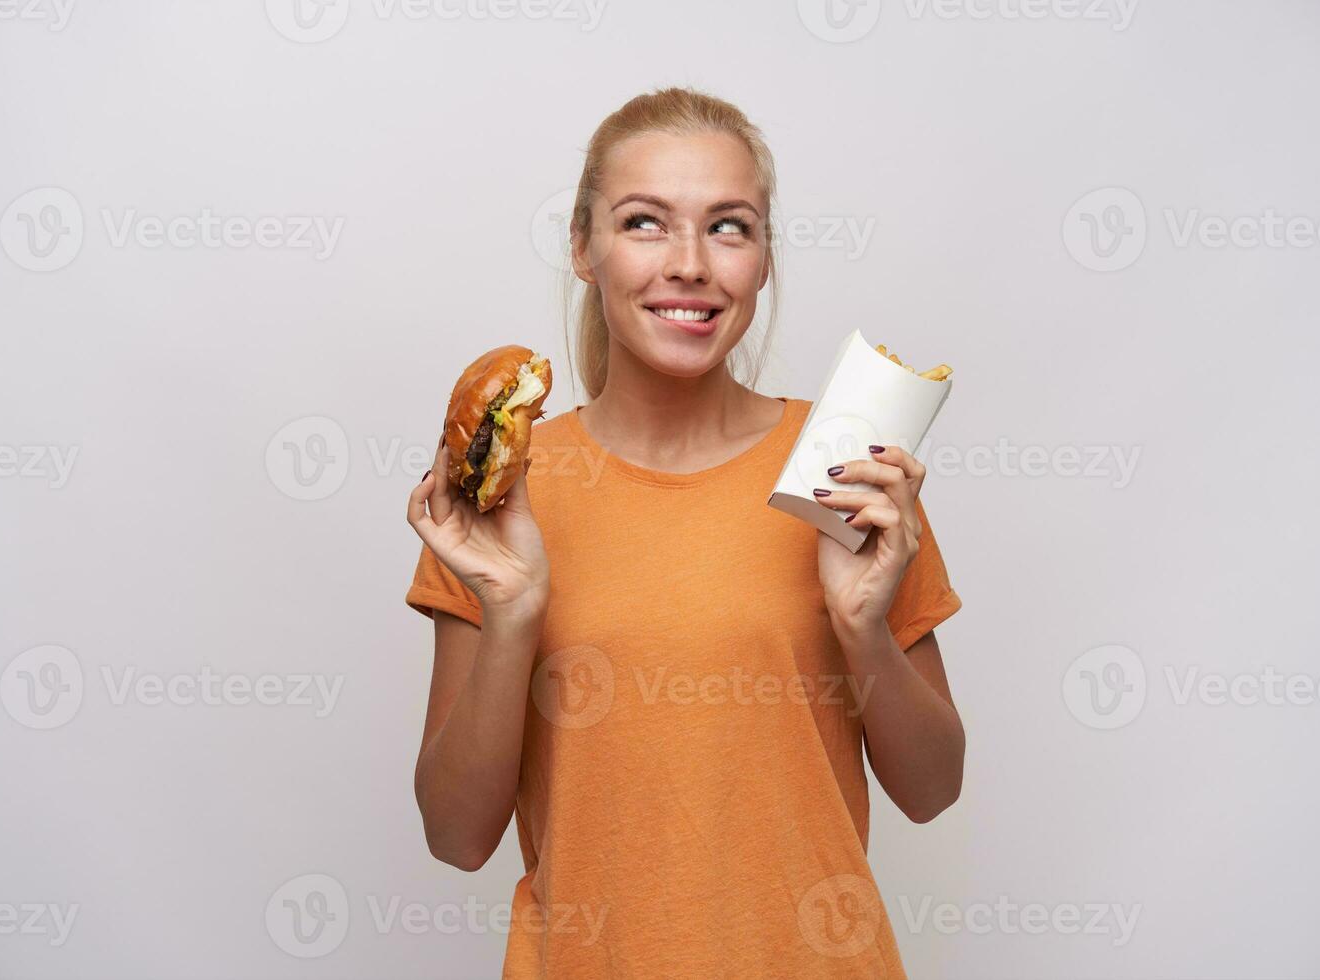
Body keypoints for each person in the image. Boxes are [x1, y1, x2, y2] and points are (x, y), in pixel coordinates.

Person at [405, 85, 964, 979]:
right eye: (645, 223)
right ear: (584, 249)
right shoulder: (504, 492)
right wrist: (513, 611)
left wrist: (864, 631)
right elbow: (456, 836)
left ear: (765, 258)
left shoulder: (846, 468)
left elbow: (934, 790)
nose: (691, 264)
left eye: (729, 226)